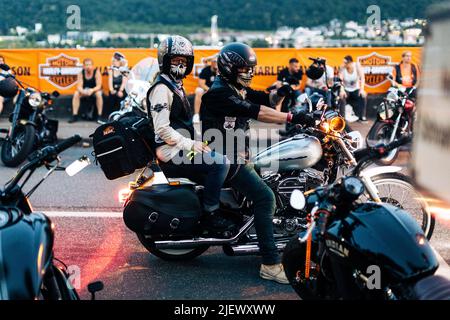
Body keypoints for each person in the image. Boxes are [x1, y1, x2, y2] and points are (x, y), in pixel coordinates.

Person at [200, 42, 315, 284]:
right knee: (266, 198)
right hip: (226, 159)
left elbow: (266, 101)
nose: (249, 73)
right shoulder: (219, 93)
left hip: (238, 155)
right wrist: (293, 117)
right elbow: (257, 111)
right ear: (229, 68)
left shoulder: (235, 88)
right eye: (244, 69)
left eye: (251, 69)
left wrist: (282, 91)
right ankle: (271, 264)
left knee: (273, 178)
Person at [146, 35, 230, 228]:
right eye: (176, 60)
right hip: (171, 152)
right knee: (221, 163)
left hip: (179, 148)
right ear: (165, 61)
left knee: (227, 153)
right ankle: (211, 213)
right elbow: (162, 129)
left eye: (184, 61)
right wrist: (191, 144)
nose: (180, 65)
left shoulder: (175, 85)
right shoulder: (161, 88)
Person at [69, 58, 104, 123]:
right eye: (86, 65)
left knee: (99, 94)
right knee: (76, 94)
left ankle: (99, 116)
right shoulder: (81, 73)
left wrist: (92, 90)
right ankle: (74, 115)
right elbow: (79, 86)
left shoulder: (96, 72)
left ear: (92, 65)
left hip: (94, 90)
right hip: (85, 91)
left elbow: (99, 86)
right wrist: (83, 91)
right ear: (84, 66)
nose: (88, 66)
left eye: (90, 65)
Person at [339, 55, 367, 123]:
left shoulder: (357, 66)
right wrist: (342, 90)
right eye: (343, 62)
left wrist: (362, 89)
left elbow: (362, 78)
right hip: (346, 89)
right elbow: (340, 80)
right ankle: (343, 118)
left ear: (350, 62)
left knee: (363, 95)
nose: (344, 64)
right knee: (342, 97)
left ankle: (362, 116)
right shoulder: (342, 68)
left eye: (345, 63)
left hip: (355, 89)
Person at [193, 55, 218, 124]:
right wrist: (210, 90)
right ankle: (196, 115)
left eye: (217, 62)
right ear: (211, 62)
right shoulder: (206, 70)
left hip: (217, 91)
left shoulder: (221, 71)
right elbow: (201, 84)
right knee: (198, 90)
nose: (216, 63)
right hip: (206, 90)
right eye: (214, 61)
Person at [107, 52, 128, 117]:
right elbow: (110, 80)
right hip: (114, 88)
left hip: (122, 89)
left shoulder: (124, 70)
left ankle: (121, 116)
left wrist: (120, 90)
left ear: (121, 62)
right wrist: (111, 90)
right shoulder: (111, 70)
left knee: (121, 97)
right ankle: (111, 116)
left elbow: (124, 82)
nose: (114, 62)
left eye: (116, 61)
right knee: (111, 97)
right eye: (114, 60)